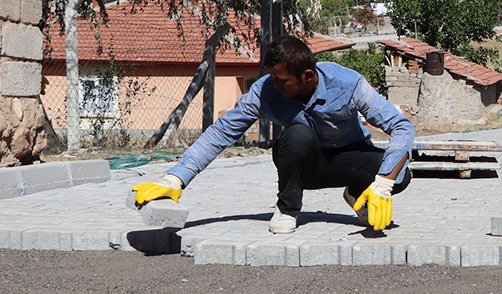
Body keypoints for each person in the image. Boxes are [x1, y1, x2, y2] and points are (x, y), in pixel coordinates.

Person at [130, 36, 415, 234]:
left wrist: (382, 184)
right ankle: (288, 210)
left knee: (400, 174)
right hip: (303, 162)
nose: (274, 86)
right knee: (298, 134)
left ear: (307, 75)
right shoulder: (264, 92)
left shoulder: (348, 84)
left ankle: (358, 193)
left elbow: (402, 128)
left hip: (347, 157)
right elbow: (220, 133)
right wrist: (175, 179)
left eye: (282, 81)